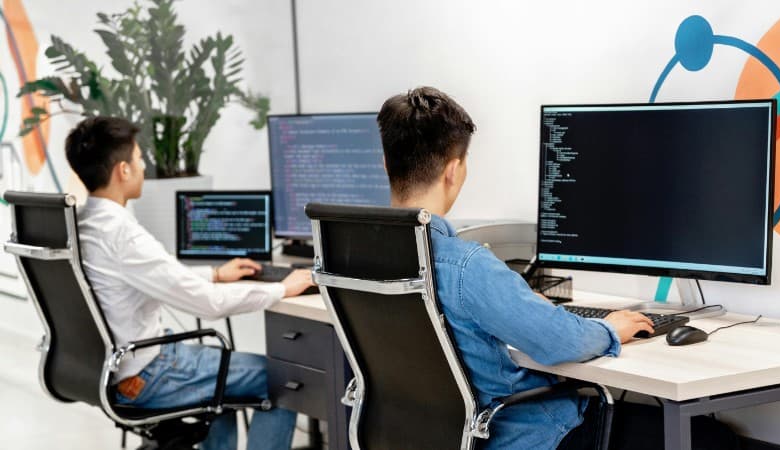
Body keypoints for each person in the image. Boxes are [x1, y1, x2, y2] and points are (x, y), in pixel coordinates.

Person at [376, 87, 739, 450]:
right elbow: (558, 342)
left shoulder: (356, 257)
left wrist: (522, 304)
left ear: (385, 163)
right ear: (454, 170)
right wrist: (609, 328)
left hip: (424, 436)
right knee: (710, 440)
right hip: (520, 434)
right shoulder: (466, 266)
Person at [65, 116, 314, 450]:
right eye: (139, 159)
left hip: (115, 369)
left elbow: (151, 278)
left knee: (224, 387)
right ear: (122, 170)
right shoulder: (122, 234)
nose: (142, 167)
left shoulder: (83, 225)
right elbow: (207, 304)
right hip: (149, 373)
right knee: (283, 380)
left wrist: (214, 274)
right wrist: (283, 288)